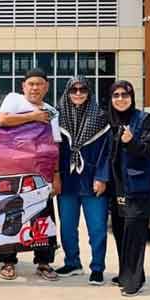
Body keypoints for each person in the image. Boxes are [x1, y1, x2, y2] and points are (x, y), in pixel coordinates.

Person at [0, 68, 59, 281]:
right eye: (30, 84)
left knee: (43, 218)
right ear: (23, 86)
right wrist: (33, 116)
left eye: (39, 84)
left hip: (40, 175)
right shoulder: (14, 100)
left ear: (46, 87)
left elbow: (54, 145)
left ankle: (44, 262)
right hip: (13, 172)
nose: (34, 88)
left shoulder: (52, 111)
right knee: (12, 216)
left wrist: (56, 175)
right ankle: (7, 262)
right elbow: (2, 120)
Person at [53, 77, 111, 286]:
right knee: (67, 226)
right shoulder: (57, 118)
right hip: (67, 181)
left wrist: (102, 177)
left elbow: (107, 152)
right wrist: (55, 176)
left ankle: (97, 268)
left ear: (89, 92)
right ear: (67, 93)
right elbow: (53, 152)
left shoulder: (101, 117)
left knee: (97, 227)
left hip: (92, 180)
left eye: (83, 89)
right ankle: (72, 262)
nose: (78, 93)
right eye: (73, 90)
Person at [106, 80, 150, 297]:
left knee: (135, 234)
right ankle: (126, 272)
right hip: (117, 187)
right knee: (121, 233)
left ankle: (134, 281)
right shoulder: (110, 121)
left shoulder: (143, 119)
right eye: (116, 95)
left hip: (137, 187)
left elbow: (146, 150)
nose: (120, 99)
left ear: (132, 97)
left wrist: (131, 141)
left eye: (124, 95)